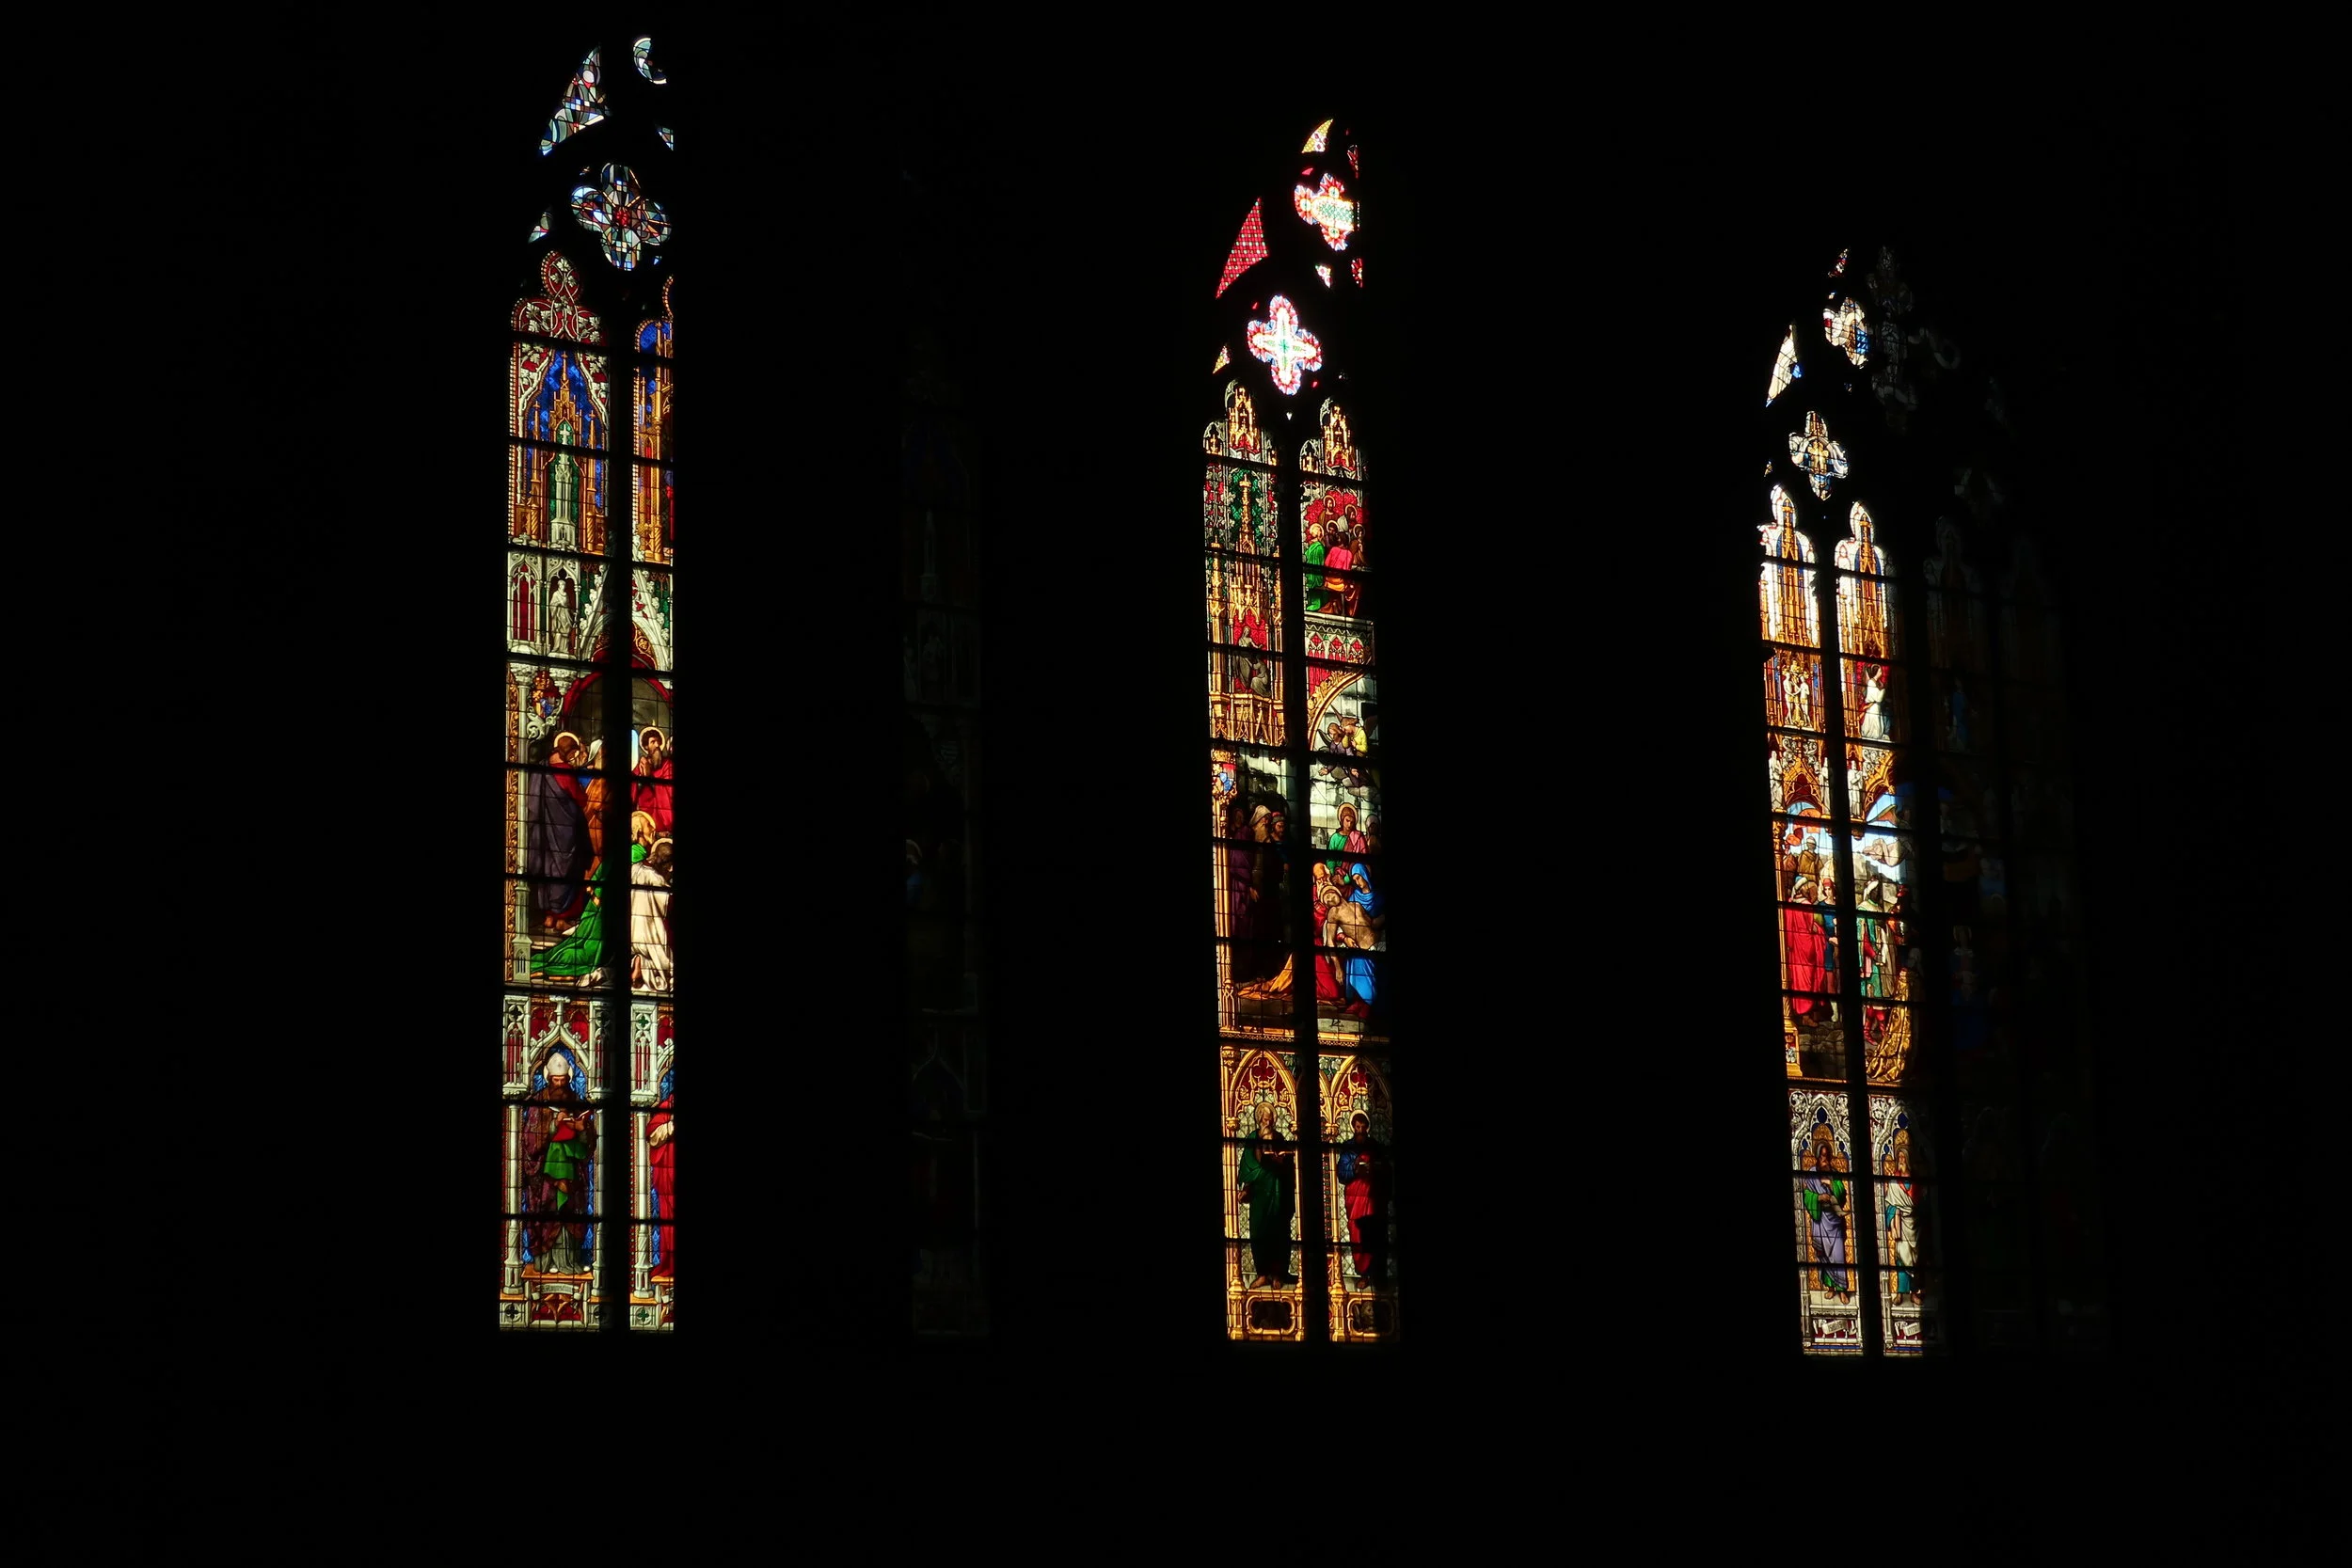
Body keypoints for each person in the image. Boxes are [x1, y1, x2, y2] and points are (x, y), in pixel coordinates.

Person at [522, 1054, 597, 1275]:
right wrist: (553, 1128)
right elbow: (529, 1141)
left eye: (563, 1080)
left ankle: (569, 1262)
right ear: (548, 1078)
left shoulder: (576, 1102)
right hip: (546, 1176)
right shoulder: (538, 1103)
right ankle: (545, 1262)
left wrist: (582, 1130)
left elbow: (590, 1144)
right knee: (548, 1213)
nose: (560, 1085)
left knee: (571, 1214)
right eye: (556, 1081)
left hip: (573, 1172)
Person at [529, 732, 593, 930]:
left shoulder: (542, 768)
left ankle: (549, 916)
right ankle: (562, 918)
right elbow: (581, 800)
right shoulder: (565, 772)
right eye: (573, 752)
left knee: (548, 869)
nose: (574, 757)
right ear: (567, 751)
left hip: (544, 834)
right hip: (566, 835)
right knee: (567, 871)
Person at [1236, 1101, 1297, 1289]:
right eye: (1264, 1119)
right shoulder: (1253, 1139)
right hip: (1259, 1196)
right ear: (1259, 1120)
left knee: (1279, 1231)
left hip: (1278, 1192)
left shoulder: (1280, 1138)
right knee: (1258, 1232)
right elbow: (1250, 1167)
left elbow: (1290, 1165)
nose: (1267, 1122)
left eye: (1270, 1119)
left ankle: (1278, 1274)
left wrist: (1281, 1161)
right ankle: (1262, 1273)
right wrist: (1246, 1188)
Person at [1334, 1111, 1390, 1287]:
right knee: (1358, 1235)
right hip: (1355, 1200)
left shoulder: (1375, 1147)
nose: (1360, 1131)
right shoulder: (1348, 1148)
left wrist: (1374, 1167)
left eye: (1363, 1127)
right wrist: (1355, 1167)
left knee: (1375, 1235)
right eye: (1357, 1127)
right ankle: (1364, 1275)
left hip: (1373, 1200)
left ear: (1367, 1128)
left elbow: (1386, 1169)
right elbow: (1341, 1173)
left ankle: (1377, 1275)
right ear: (1353, 1127)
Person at [1801, 1111, 1851, 1303]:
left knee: (1838, 1256)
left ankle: (1842, 1290)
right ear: (1817, 1156)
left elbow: (1842, 1195)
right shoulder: (1812, 1173)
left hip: (1834, 1221)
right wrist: (1817, 1197)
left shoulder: (1835, 1173)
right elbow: (1806, 1196)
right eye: (1821, 1156)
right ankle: (1830, 1287)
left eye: (1826, 1155)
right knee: (1824, 1257)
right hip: (1820, 1220)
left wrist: (1833, 1186)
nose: (1824, 1159)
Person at [1883, 1117, 1920, 1307]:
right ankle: (1900, 1292)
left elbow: (1920, 1204)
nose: (1902, 1161)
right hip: (1900, 1224)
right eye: (1900, 1159)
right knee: (1900, 1260)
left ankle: (1915, 1292)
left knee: (1916, 1259)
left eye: (1904, 1158)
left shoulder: (1917, 1182)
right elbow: (1888, 1205)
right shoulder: (1893, 1182)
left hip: (1914, 1225)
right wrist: (1894, 1213)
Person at [630, 835, 674, 993]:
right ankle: (641, 965)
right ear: (665, 863)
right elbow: (667, 905)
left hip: (629, 930)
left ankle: (638, 963)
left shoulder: (634, 868)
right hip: (649, 933)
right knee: (664, 956)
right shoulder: (656, 878)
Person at [646, 1085, 675, 1281]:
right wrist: (671, 1125)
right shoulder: (666, 1107)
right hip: (668, 1176)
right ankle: (669, 1263)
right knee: (668, 1222)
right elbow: (653, 1137)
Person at [633, 726, 675, 833]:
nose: (657, 745)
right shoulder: (640, 766)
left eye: (658, 742)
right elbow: (631, 792)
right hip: (644, 818)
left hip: (662, 821)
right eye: (653, 742)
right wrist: (641, 780)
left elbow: (670, 792)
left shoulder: (667, 765)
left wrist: (650, 778)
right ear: (646, 746)